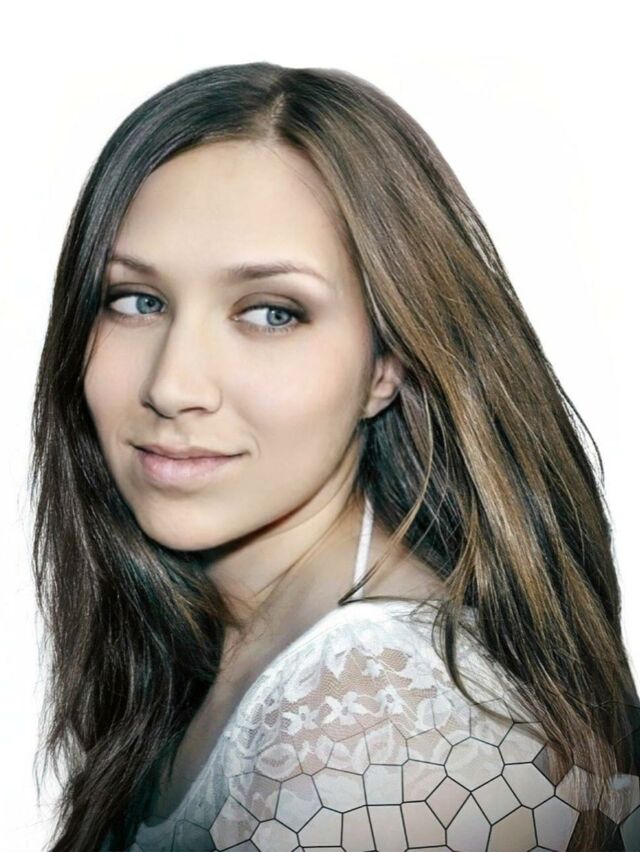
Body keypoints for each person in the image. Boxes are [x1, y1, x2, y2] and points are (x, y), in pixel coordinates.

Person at [30, 62, 639, 852]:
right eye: (136, 301)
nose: (172, 386)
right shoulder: (230, 660)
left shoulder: (374, 728)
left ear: (386, 366)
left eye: (271, 313)